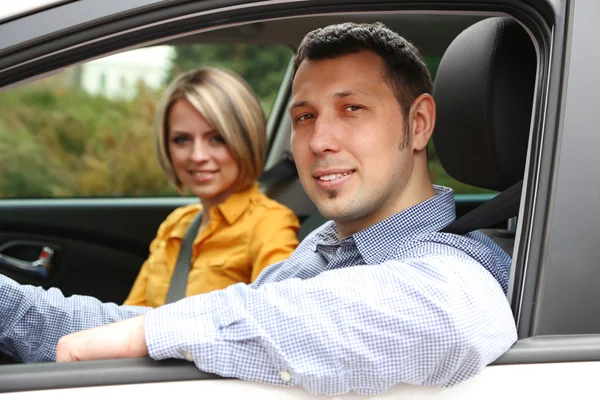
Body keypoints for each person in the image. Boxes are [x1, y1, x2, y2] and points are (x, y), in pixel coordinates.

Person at [0, 22, 517, 396]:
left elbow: (429, 316)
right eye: (305, 116)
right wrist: (15, 310)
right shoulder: (325, 246)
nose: (319, 140)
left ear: (419, 123)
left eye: (351, 108)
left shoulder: (460, 267)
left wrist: (147, 333)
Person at [123, 67, 300, 307]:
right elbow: (129, 316)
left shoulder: (268, 223)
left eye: (216, 138)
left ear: (245, 139)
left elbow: (281, 314)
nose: (197, 156)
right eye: (181, 140)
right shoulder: (176, 225)